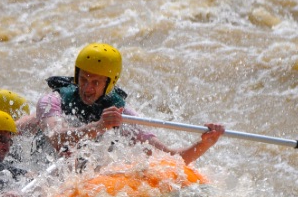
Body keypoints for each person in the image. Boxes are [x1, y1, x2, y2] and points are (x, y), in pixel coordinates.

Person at [36, 43, 225, 164]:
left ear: (109, 84)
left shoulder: (122, 114)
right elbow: (57, 139)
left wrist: (204, 144)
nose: (87, 88)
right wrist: (100, 126)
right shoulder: (52, 101)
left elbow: (171, 158)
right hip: (39, 161)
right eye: (84, 79)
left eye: (95, 82)